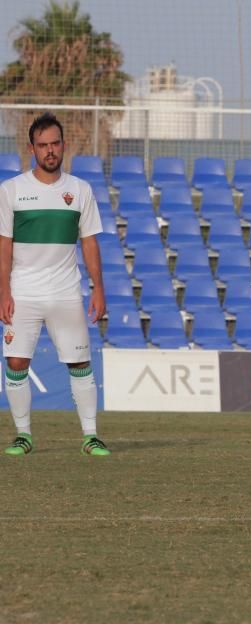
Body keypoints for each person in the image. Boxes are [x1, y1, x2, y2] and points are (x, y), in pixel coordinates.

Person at [0, 112, 108, 456]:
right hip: (22, 293)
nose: (50, 151)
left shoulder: (80, 190)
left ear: (64, 146)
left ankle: (91, 435)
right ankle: (23, 434)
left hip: (66, 293)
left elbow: (90, 242)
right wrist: (3, 291)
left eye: (55, 144)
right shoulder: (11, 191)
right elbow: (3, 245)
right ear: (32, 149)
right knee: (16, 363)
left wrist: (99, 288)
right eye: (43, 145)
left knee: (80, 362)